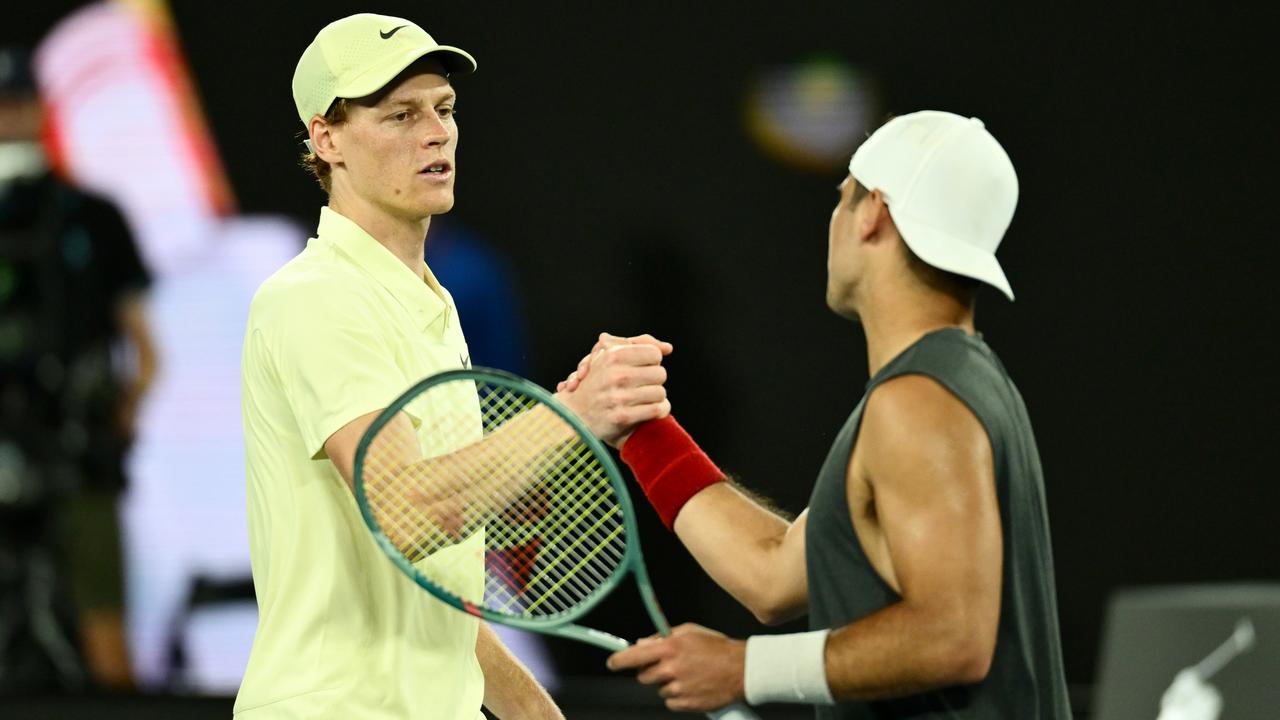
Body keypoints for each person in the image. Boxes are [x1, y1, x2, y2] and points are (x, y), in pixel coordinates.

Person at [564, 111, 1072, 718]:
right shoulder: (946, 387)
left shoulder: (919, 402)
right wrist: (640, 428)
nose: (831, 223)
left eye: (842, 201)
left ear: (874, 214)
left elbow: (952, 637)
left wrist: (744, 669)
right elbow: (771, 574)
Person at [237, 14, 670, 719]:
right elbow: (410, 511)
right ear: (326, 139)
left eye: (444, 110)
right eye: (399, 115)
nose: (435, 132)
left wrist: (535, 713)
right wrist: (572, 415)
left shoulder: (427, 306)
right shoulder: (313, 298)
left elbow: (434, 591)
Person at [0, 45, 156, 692]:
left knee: (101, 627)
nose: (10, 118)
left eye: (18, 102)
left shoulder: (91, 218)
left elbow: (146, 351)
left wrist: (113, 418)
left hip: (73, 452)